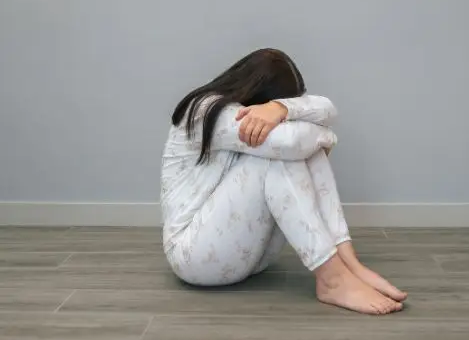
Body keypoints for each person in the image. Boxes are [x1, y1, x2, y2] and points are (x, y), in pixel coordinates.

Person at [161, 48, 407, 314]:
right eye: (277, 102)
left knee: (299, 152)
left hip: (253, 256)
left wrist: (280, 108)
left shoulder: (264, 107)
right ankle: (333, 279)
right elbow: (291, 142)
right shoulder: (205, 112)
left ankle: (349, 263)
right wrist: (327, 137)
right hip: (194, 258)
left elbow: (327, 109)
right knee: (279, 157)